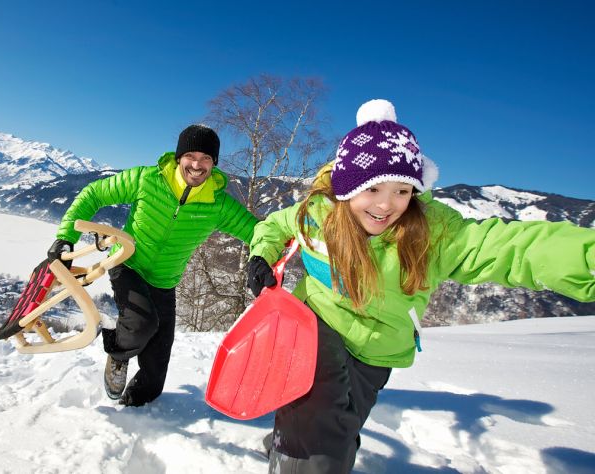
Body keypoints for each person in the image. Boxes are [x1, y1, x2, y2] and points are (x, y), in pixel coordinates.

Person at [246, 99, 595, 473]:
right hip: (317, 324)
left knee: (339, 427)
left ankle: (288, 443)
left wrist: (586, 260)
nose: (386, 205)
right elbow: (275, 226)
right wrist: (260, 255)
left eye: (402, 190)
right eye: (374, 188)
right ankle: (298, 450)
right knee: (319, 421)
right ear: (347, 187)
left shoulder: (432, 232)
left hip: (378, 347)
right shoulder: (319, 212)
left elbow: (511, 248)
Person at [50, 124, 258, 407]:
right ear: (178, 157)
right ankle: (118, 355)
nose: (197, 165)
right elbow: (94, 194)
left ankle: (137, 407)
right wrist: (65, 238)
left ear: (214, 164)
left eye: (206, 158)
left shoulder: (217, 204)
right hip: (128, 263)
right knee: (140, 324)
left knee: (157, 364)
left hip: (165, 280)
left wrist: (291, 241)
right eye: (191, 156)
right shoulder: (147, 179)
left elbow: (257, 231)